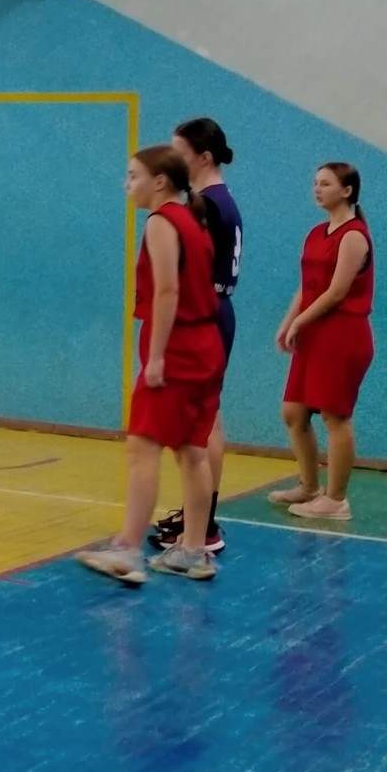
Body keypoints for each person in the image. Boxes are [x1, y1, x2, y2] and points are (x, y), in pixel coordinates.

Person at [80, 146, 225, 585]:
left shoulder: (162, 222)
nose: (127, 184)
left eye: (133, 175)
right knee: (192, 452)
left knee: (142, 447)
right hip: (206, 346)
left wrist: (157, 356)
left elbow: (167, 291)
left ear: (159, 181)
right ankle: (193, 551)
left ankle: (127, 550)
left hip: (179, 349)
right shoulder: (194, 221)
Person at [148, 117, 242, 554]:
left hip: (206, 312)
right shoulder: (218, 199)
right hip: (217, 309)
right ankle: (199, 518)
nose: (172, 159)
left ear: (203, 157)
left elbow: (186, 273)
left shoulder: (207, 205)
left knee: (203, 425)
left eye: (179, 153)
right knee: (207, 421)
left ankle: (203, 524)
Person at [271, 161, 374, 523]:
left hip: (343, 334)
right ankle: (309, 486)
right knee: (293, 411)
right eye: (315, 183)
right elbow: (308, 286)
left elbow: (336, 292)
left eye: (326, 184)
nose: (317, 189)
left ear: (346, 191)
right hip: (313, 333)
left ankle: (336, 500)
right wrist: (288, 322)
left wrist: (301, 320)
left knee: (335, 416)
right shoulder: (316, 233)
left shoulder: (354, 235)